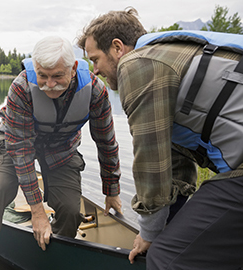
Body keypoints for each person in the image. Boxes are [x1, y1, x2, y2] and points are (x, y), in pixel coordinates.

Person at [78, 7, 243, 269]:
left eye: (95, 59)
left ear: (118, 48)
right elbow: (177, 167)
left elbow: (151, 164)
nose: (95, 70)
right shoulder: (166, 61)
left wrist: (150, 235)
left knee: (165, 258)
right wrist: (163, 228)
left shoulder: (137, 66)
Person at [0, 36, 123, 270]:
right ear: (35, 68)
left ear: (73, 69)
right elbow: (21, 152)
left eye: (57, 76)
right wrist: (37, 211)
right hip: (14, 143)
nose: (49, 84)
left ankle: (50, 259)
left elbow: (106, 141)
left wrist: (111, 189)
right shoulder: (21, 88)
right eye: (42, 75)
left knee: (72, 211)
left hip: (61, 148)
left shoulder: (95, 92)